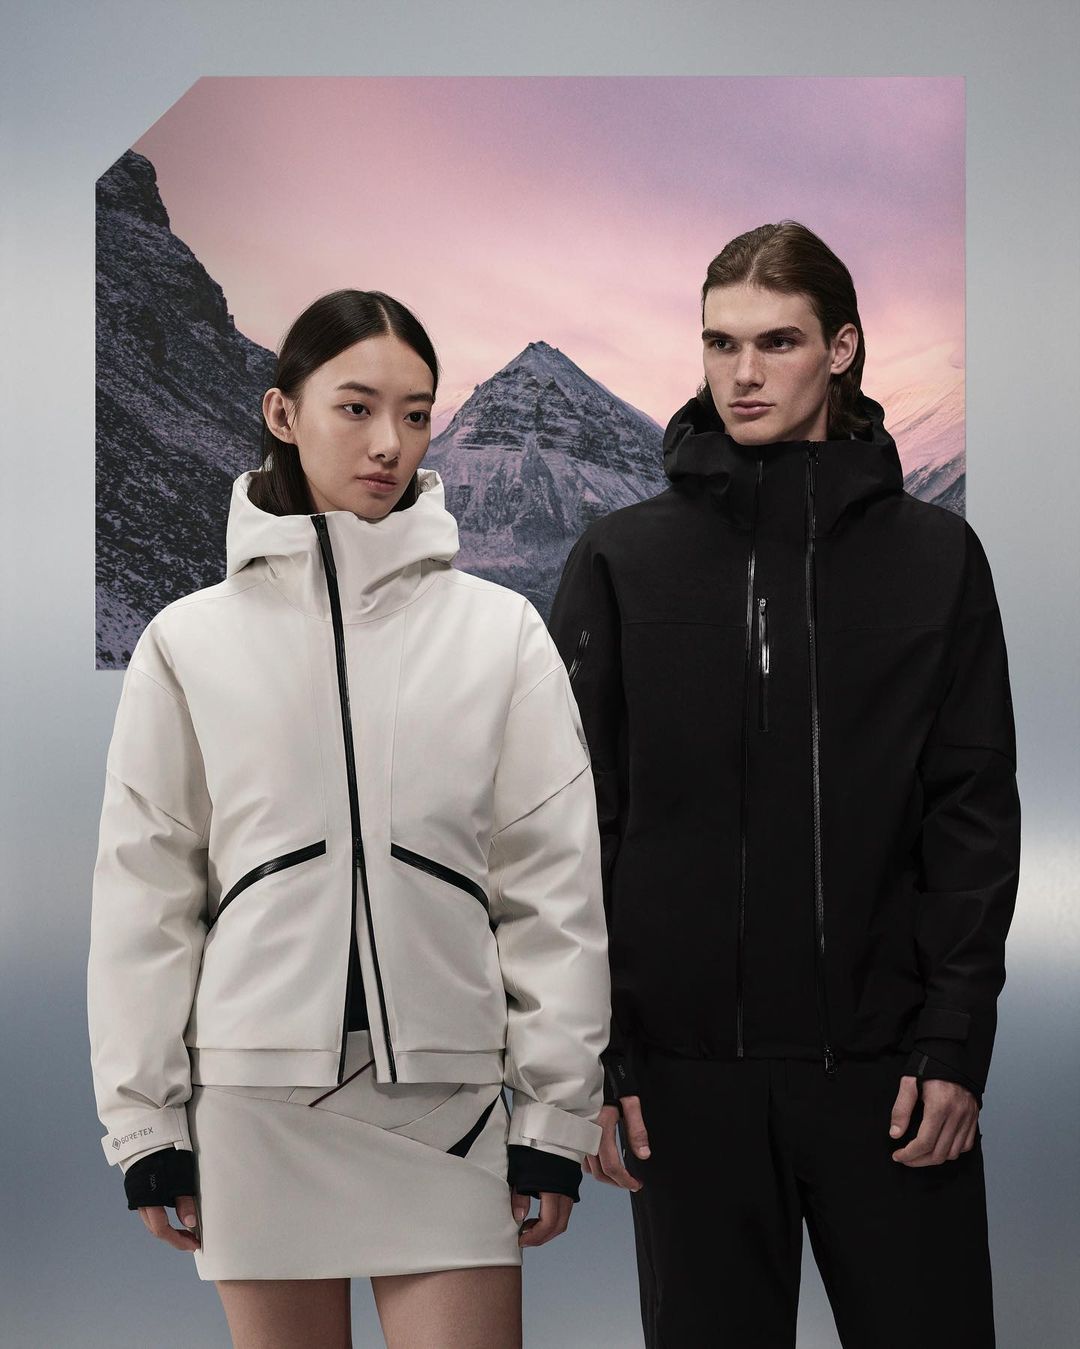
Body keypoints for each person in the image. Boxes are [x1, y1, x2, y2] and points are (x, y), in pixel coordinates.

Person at [87, 289, 610, 1349]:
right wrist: (144, 1119)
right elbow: (146, 899)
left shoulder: (501, 634)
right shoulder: (187, 643)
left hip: (451, 1101)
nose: (390, 443)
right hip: (251, 1102)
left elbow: (553, 886)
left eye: (416, 414)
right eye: (358, 407)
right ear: (283, 413)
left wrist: (555, 1113)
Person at [548, 221, 1020, 1348]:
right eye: (720, 343)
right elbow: (571, 827)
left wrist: (952, 1044)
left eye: (777, 341)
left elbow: (972, 811)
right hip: (684, 1087)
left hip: (889, 1077)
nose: (742, 373)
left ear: (843, 348)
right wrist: (599, 1060)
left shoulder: (937, 559)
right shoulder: (620, 561)